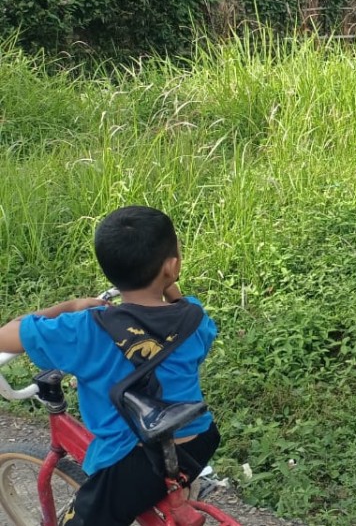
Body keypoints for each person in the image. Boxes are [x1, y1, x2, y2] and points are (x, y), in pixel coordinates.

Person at [0, 206, 220, 526]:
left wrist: (72, 306)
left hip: (137, 462)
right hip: (199, 440)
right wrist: (171, 285)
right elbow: (182, 313)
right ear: (172, 267)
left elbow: (8, 334)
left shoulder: (84, 329)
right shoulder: (194, 318)